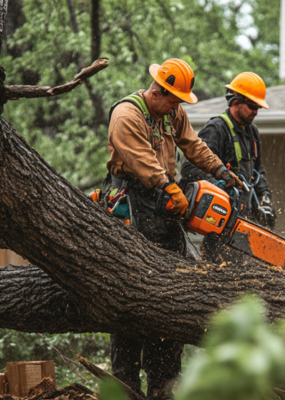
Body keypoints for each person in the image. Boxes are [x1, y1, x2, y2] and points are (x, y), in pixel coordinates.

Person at [106, 58, 242, 400]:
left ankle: (164, 383)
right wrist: (168, 188)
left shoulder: (171, 112)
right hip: (134, 203)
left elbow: (192, 144)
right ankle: (125, 387)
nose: (177, 107)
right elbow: (143, 162)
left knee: (171, 293)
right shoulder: (127, 115)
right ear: (156, 91)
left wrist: (219, 170)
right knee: (131, 296)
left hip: (162, 205)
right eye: (174, 100)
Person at [179, 72, 276, 229]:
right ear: (236, 102)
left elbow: (257, 173)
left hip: (244, 216)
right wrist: (221, 188)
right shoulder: (217, 129)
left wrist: (265, 198)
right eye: (252, 106)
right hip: (220, 214)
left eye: (258, 107)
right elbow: (191, 169)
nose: (256, 111)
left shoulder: (253, 133)